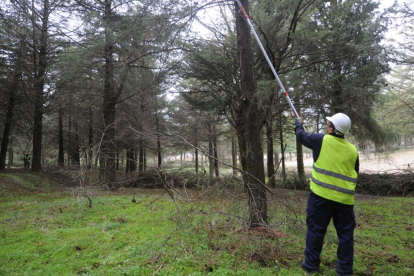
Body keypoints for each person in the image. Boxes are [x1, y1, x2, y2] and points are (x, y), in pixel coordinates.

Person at [295, 113, 359, 276]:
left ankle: (311, 266)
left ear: (331, 128)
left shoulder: (320, 140)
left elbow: (301, 136)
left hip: (320, 198)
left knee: (316, 231)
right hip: (344, 201)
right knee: (345, 236)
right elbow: (355, 172)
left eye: (327, 123)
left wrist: (298, 124)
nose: (326, 125)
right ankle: (344, 270)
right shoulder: (353, 150)